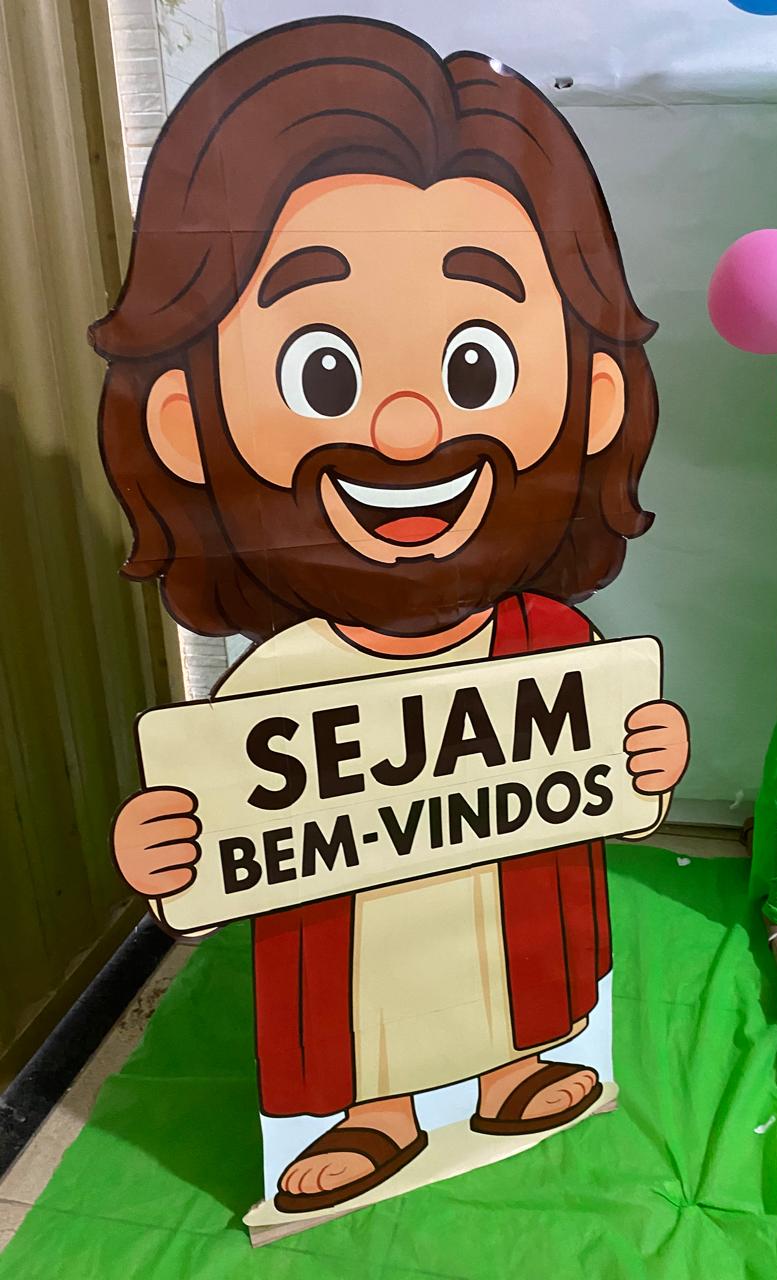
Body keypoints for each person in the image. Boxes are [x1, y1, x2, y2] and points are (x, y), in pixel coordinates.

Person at [95, 18, 690, 1214]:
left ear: (592, 396)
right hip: (353, 936)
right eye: (323, 371)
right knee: (359, 983)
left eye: (475, 366)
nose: (409, 430)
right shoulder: (281, 684)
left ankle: (518, 1065)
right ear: (179, 419)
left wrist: (648, 755)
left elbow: (605, 777)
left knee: (507, 948)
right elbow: (221, 825)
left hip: (510, 911)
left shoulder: (551, 651)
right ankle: (374, 1111)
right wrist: (168, 847)